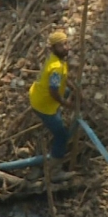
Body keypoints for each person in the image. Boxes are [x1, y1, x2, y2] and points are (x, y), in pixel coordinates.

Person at [29, 30, 78, 169]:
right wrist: (67, 104)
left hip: (38, 94)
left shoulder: (55, 59)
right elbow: (54, 92)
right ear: (53, 48)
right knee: (62, 135)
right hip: (43, 105)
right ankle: (54, 166)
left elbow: (63, 79)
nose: (66, 48)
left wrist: (74, 88)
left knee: (67, 91)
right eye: (61, 45)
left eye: (66, 43)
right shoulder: (56, 67)